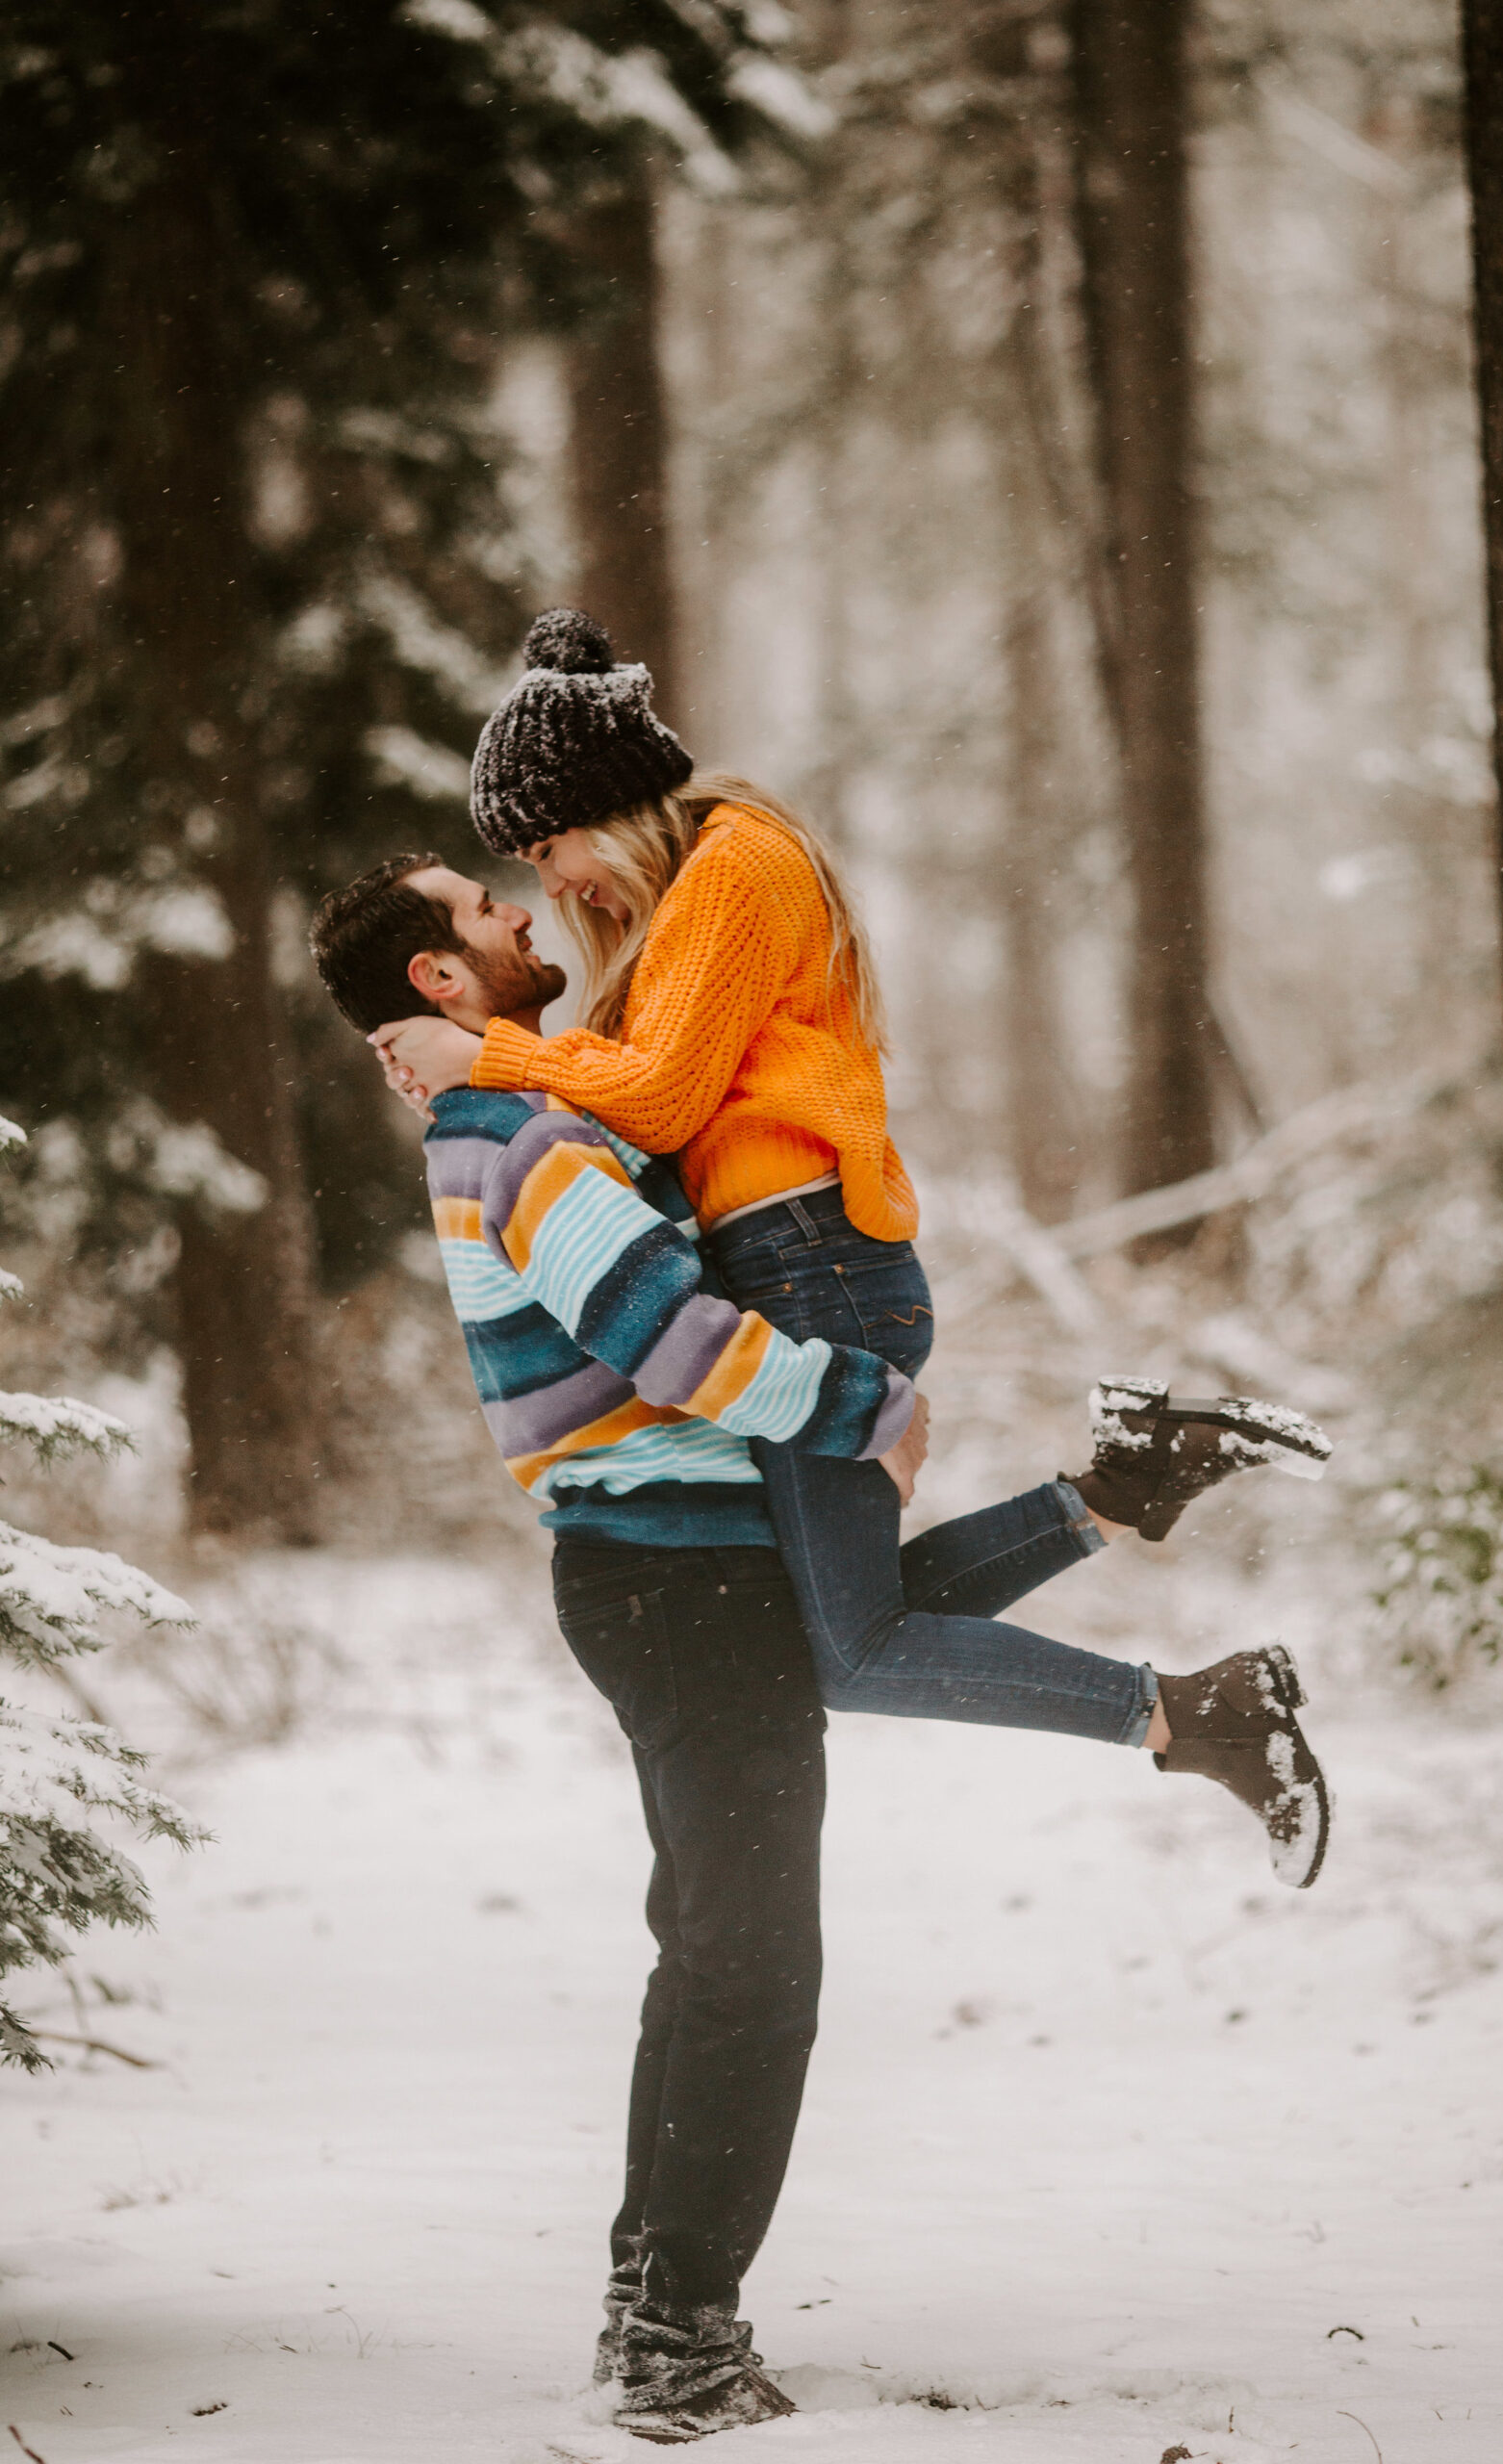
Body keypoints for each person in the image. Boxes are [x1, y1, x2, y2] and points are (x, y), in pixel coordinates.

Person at [372, 611, 1335, 1890]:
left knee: (846, 1649)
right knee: (834, 1628)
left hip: (809, 1271)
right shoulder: (702, 890)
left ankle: (1199, 1710)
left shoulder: (731, 866)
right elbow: (644, 1100)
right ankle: (1127, 1485)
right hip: (800, 1268)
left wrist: (485, 1052)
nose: (556, 888)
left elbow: (653, 1101)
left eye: (549, 849)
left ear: (609, 808)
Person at [309, 852, 920, 2444]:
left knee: (713, 1951)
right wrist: (870, 1410)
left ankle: (656, 2298)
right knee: (754, 1968)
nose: (520, 916)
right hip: (674, 1576)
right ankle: (678, 2347)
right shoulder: (519, 1136)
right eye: (482, 912)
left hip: (660, 1572)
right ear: (441, 983)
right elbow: (668, 1339)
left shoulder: (501, 1115)